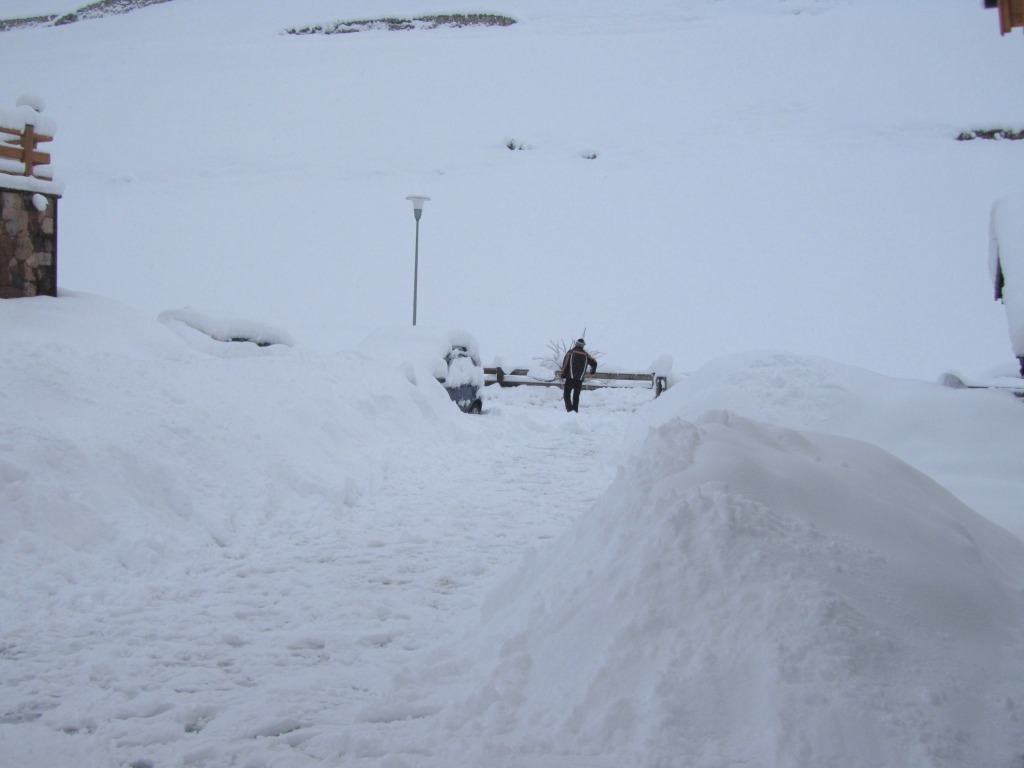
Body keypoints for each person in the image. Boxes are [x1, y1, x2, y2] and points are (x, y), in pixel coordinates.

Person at [560, 338, 597, 412]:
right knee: (576, 396)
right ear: (583, 346)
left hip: (570, 377)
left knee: (566, 395)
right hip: (579, 378)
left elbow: (565, 364)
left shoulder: (571, 352)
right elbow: (594, 363)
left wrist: (563, 374)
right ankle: (575, 410)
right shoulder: (586, 355)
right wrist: (592, 372)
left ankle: (570, 410)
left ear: (576, 344)